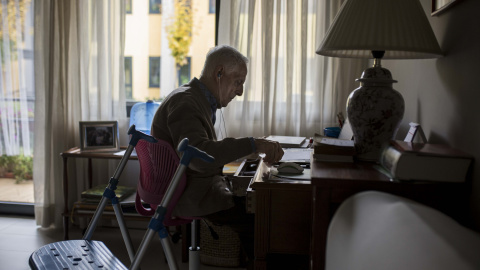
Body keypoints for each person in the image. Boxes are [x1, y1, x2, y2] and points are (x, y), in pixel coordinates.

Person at [150, 45, 284, 267]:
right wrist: (252, 144)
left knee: (255, 204)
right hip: (188, 196)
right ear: (219, 73)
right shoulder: (187, 103)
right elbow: (198, 158)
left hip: (187, 188)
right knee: (261, 217)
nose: (240, 91)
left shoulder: (192, 98)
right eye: (238, 81)